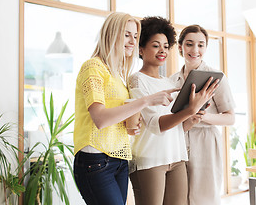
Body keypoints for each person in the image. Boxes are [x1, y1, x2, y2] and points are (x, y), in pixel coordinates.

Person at [73, 12, 179, 205]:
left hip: (119, 160)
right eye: (127, 34)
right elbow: (100, 118)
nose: (132, 41)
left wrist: (130, 124)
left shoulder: (117, 75)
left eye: (135, 36)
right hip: (95, 159)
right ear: (111, 34)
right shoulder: (92, 67)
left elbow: (114, 116)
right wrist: (146, 101)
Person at [127, 17, 219, 205]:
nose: (162, 50)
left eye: (166, 46)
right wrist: (189, 110)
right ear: (141, 49)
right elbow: (156, 126)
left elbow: (177, 126)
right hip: (150, 161)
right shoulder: (136, 80)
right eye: (155, 45)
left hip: (177, 158)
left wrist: (191, 119)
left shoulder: (169, 82)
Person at [170, 25, 236, 205]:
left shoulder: (216, 77)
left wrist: (202, 116)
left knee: (205, 197)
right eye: (189, 44)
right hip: (179, 140)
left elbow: (230, 117)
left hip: (206, 141)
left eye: (201, 45)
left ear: (206, 48)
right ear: (180, 47)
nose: (195, 50)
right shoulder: (172, 80)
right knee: (180, 197)